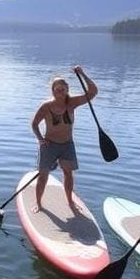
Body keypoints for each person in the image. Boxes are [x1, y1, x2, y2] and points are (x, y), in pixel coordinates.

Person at [30, 66, 97, 213]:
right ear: (52, 91)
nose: (59, 92)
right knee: (43, 176)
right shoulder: (46, 106)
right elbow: (34, 123)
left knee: (68, 174)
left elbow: (93, 92)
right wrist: (40, 139)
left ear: (67, 89)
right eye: (57, 89)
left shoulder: (72, 103)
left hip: (67, 145)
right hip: (49, 145)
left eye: (62, 89)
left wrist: (83, 74)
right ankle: (39, 204)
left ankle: (70, 202)